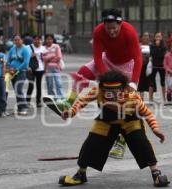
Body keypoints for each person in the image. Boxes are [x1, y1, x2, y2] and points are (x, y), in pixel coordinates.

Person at [43, 9, 142, 159]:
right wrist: (103, 77)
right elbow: (97, 56)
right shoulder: (98, 31)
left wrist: (134, 82)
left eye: (115, 28)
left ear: (120, 24)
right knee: (82, 73)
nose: (112, 32)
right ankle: (67, 103)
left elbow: (138, 58)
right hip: (106, 60)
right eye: (108, 28)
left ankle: (121, 141)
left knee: (124, 104)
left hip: (127, 65)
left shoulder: (129, 31)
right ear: (104, 25)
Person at [58, 71, 170, 187]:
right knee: (91, 143)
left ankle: (156, 173)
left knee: (141, 142)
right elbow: (82, 101)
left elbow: (148, 114)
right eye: (107, 91)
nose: (111, 94)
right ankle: (80, 174)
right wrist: (71, 112)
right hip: (107, 122)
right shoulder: (98, 90)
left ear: (123, 88)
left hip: (130, 122)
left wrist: (155, 129)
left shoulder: (132, 96)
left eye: (115, 91)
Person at [7, 34, 31, 115]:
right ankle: (20, 108)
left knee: (19, 89)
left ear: (22, 40)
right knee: (16, 90)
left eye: (18, 39)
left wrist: (17, 69)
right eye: (15, 40)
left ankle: (24, 107)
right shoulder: (12, 49)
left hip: (21, 72)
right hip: (12, 72)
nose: (16, 41)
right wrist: (10, 67)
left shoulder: (25, 49)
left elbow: (26, 62)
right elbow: (8, 60)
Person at [42, 34, 64, 99]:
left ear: (53, 40)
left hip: (56, 67)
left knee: (58, 83)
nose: (49, 40)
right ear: (45, 40)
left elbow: (59, 57)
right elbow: (43, 58)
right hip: (47, 69)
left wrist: (48, 58)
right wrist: (52, 56)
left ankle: (61, 97)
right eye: (48, 39)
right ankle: (52, 97)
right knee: (49, 84)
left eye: (51, 39)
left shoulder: (56, 46)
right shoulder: (43, 48)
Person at [26, 35, 45, 107]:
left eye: (38, 39)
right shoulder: (28, 47)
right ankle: (27, 101)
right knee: (31, 85)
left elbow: (45, 59)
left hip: (40, 69)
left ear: (40, 40)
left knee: (39, 86)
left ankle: (38, 102)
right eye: (35, 39)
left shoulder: (43, 48)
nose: (37, 41)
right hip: (31, 69)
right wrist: (30, 56)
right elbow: (24, 56)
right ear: (33, 40)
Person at [149, 32, 166, 104]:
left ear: (161, 38)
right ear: (154, 38)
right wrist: (156, 46)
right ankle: (150, 99)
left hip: (162, 66)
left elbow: (161, 55)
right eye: (156, 36)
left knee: (163, 82)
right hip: (154, 66)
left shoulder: (164, 46)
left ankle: (164, 99)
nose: (158, 38)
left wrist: (159, 47)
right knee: (151, 82)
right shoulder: (152, 46)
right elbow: (153, 54)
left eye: (159, 36)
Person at [138, 32, 151, 99]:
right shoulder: (139, 46)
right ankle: (141, 98)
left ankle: (151, 98)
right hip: (141, 66)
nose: (146, 37)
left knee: (150, 82)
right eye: (144, 36)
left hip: (150, 66)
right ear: (141, 37)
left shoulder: (151, 46)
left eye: (147, 36)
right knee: (141, 82)